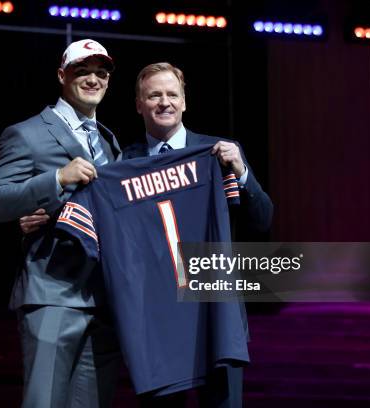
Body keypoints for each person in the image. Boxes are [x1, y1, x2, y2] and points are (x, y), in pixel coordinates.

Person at [0, 39, 122, 408]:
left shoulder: (109, 142)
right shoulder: (26, 133)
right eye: (82, 71)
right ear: (62, 75)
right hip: (52, 294)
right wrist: (56, 179)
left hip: (102, 300)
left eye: (101, 72)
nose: (93, 79)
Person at [126, 63, 273, 407]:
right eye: (154, 95)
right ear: (139, 104)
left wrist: (242, 171)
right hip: (157, 321)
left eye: (172, 94)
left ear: (184, 102)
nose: (165, 102)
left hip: (216, 314)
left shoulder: (219, 153)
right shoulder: (124, 163)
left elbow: (262, 220)